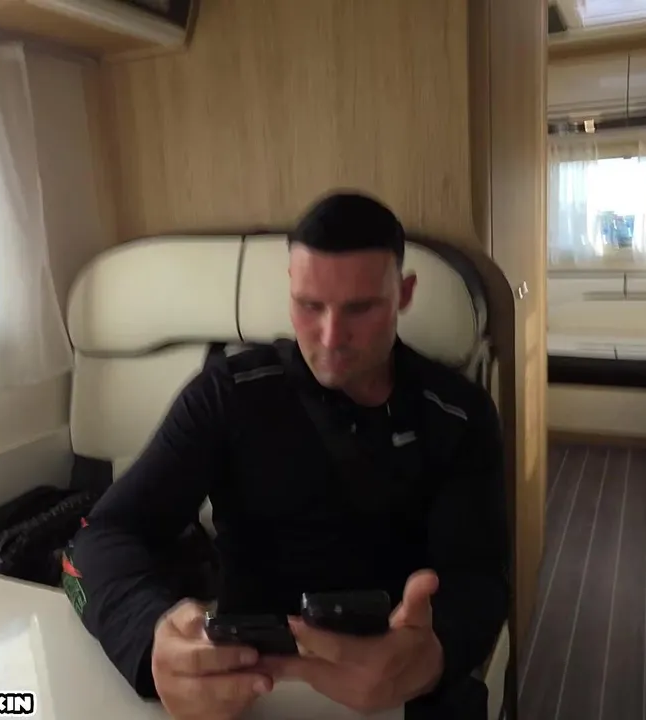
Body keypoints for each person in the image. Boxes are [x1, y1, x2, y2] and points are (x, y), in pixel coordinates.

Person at [64, 190, 510, 719]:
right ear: (289, 290)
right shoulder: (228, 394)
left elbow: (480, 581)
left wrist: (431, 656)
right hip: (254, 689)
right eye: (309, 305)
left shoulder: (458, 414)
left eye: (361, 308)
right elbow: (96, 541)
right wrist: (150, 636)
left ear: (404, 294)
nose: (331, 337)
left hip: (404, 686)